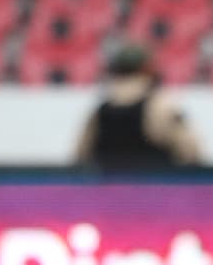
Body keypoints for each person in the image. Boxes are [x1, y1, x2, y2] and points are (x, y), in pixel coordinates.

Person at [74, 42, 201, 171]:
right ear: (147, 68)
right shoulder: (161, 106)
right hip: (155, 187)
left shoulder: (100, 111)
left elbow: (80, 156)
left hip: (110, 188)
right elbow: (191, 153)